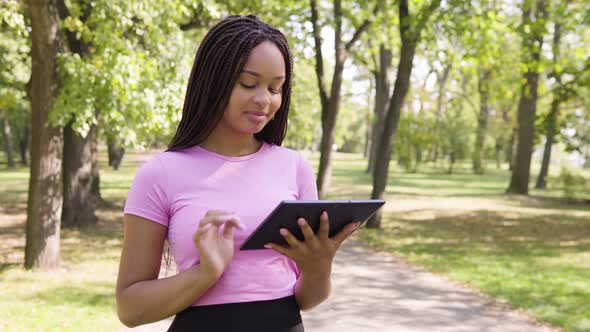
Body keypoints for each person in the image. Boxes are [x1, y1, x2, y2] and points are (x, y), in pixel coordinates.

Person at [115, 15, 360, 332]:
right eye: (248, 83)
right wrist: (205, 273)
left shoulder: (294, 167)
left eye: (276, 87)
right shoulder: (160, 173)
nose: (264, 99)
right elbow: (130, 309)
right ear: (214, 80)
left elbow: (308, 299)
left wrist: (318, 267)